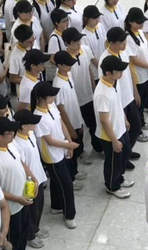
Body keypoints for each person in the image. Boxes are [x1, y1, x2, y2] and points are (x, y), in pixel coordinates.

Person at [0, 117, 39, 250]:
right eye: (10, 133)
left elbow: (20, 162)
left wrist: (33, 178)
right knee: (13, 237)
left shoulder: (11, 144)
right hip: (10, 209)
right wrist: (16, 198)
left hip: (22, 201)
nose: (13, 134)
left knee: (23, 232)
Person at [31, 82, 79, 228]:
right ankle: (69, 215)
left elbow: (61, 123)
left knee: (58, 181)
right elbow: (50, 141)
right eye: (50, 96)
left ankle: (56, 206)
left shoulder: (51, 106)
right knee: (66, 184)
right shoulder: (38, 116)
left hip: (62, 149)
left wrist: (69, 142)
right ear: (42, 98)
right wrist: (68, 145)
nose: (53, 98)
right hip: (51, 156)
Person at [98, 27, 141, 170]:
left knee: (136, 126)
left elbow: (129, 73)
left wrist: (135, 91)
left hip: (129, 97)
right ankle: (122, 157)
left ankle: (126, 152)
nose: (125, 44)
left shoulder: (124, 51)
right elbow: (107, 84)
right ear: (112, 43)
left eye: (125, 41)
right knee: (123, 131)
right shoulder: (105, 60)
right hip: (118, 102)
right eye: (121, 42)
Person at [93, 56, 134, 199]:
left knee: (125, 153)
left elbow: (117, 103)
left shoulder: (112, 83)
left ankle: (119, 178)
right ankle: (112, 185)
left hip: (120, 128)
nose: (121, 73)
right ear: (108, 73)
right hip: (110, 136)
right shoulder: (102, 93)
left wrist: (124, 118)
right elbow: (104, 120)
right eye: (119, 71)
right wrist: (114, 140)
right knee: (113, 162)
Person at [13, 110, 48, 249]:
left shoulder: (30, 134)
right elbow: (22, 166)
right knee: (31, 210)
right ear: (23, 126)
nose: (35, 124)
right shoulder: (17, 144)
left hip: (39, 176)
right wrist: (31, 180)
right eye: (32, 122)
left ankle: (36, 229)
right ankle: (30, 235)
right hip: (29, 182)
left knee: (39, 206)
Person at [53, 50, 87, 187]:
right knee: (70, 152)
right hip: (69, 123)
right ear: (59, 65)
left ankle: (75, 171)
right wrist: (70, 128)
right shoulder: (58, 84)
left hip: (76, 118)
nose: (70, 66)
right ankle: (71, 179)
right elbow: (60, 109)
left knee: (77, 147)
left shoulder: (68, 75)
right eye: (67, 64)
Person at [65, 27, 99, 160]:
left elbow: (89, 69)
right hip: (75, 101)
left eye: (79, 41)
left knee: (94, 124)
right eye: (75, 42)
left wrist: (93, 87)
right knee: (78, 128)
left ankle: (98, 147)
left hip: (88, 96)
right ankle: (80, 152)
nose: (78, 44)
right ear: (67, 43)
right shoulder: (65, 60)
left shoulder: (85, 50)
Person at [125, 7, 148, 142]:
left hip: (147, 74)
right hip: (138, 77)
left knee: (142, 103)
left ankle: (141, 122)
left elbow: (147, 48)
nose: (141, 24)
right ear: (131, 22)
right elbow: (134, 59)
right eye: (138, 22)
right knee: (137, 106)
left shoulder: (140, 32)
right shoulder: (128, 38)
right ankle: (136, 130)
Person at [82, 6, 106, 81]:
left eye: (98, 17)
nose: (97, 20)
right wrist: (101, 66)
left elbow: (106, 43)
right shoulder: (84, 35)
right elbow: (91, 56)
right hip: (96, 71)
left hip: (105, 66)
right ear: (86, 19)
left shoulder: (100, 26)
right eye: (94, 18)